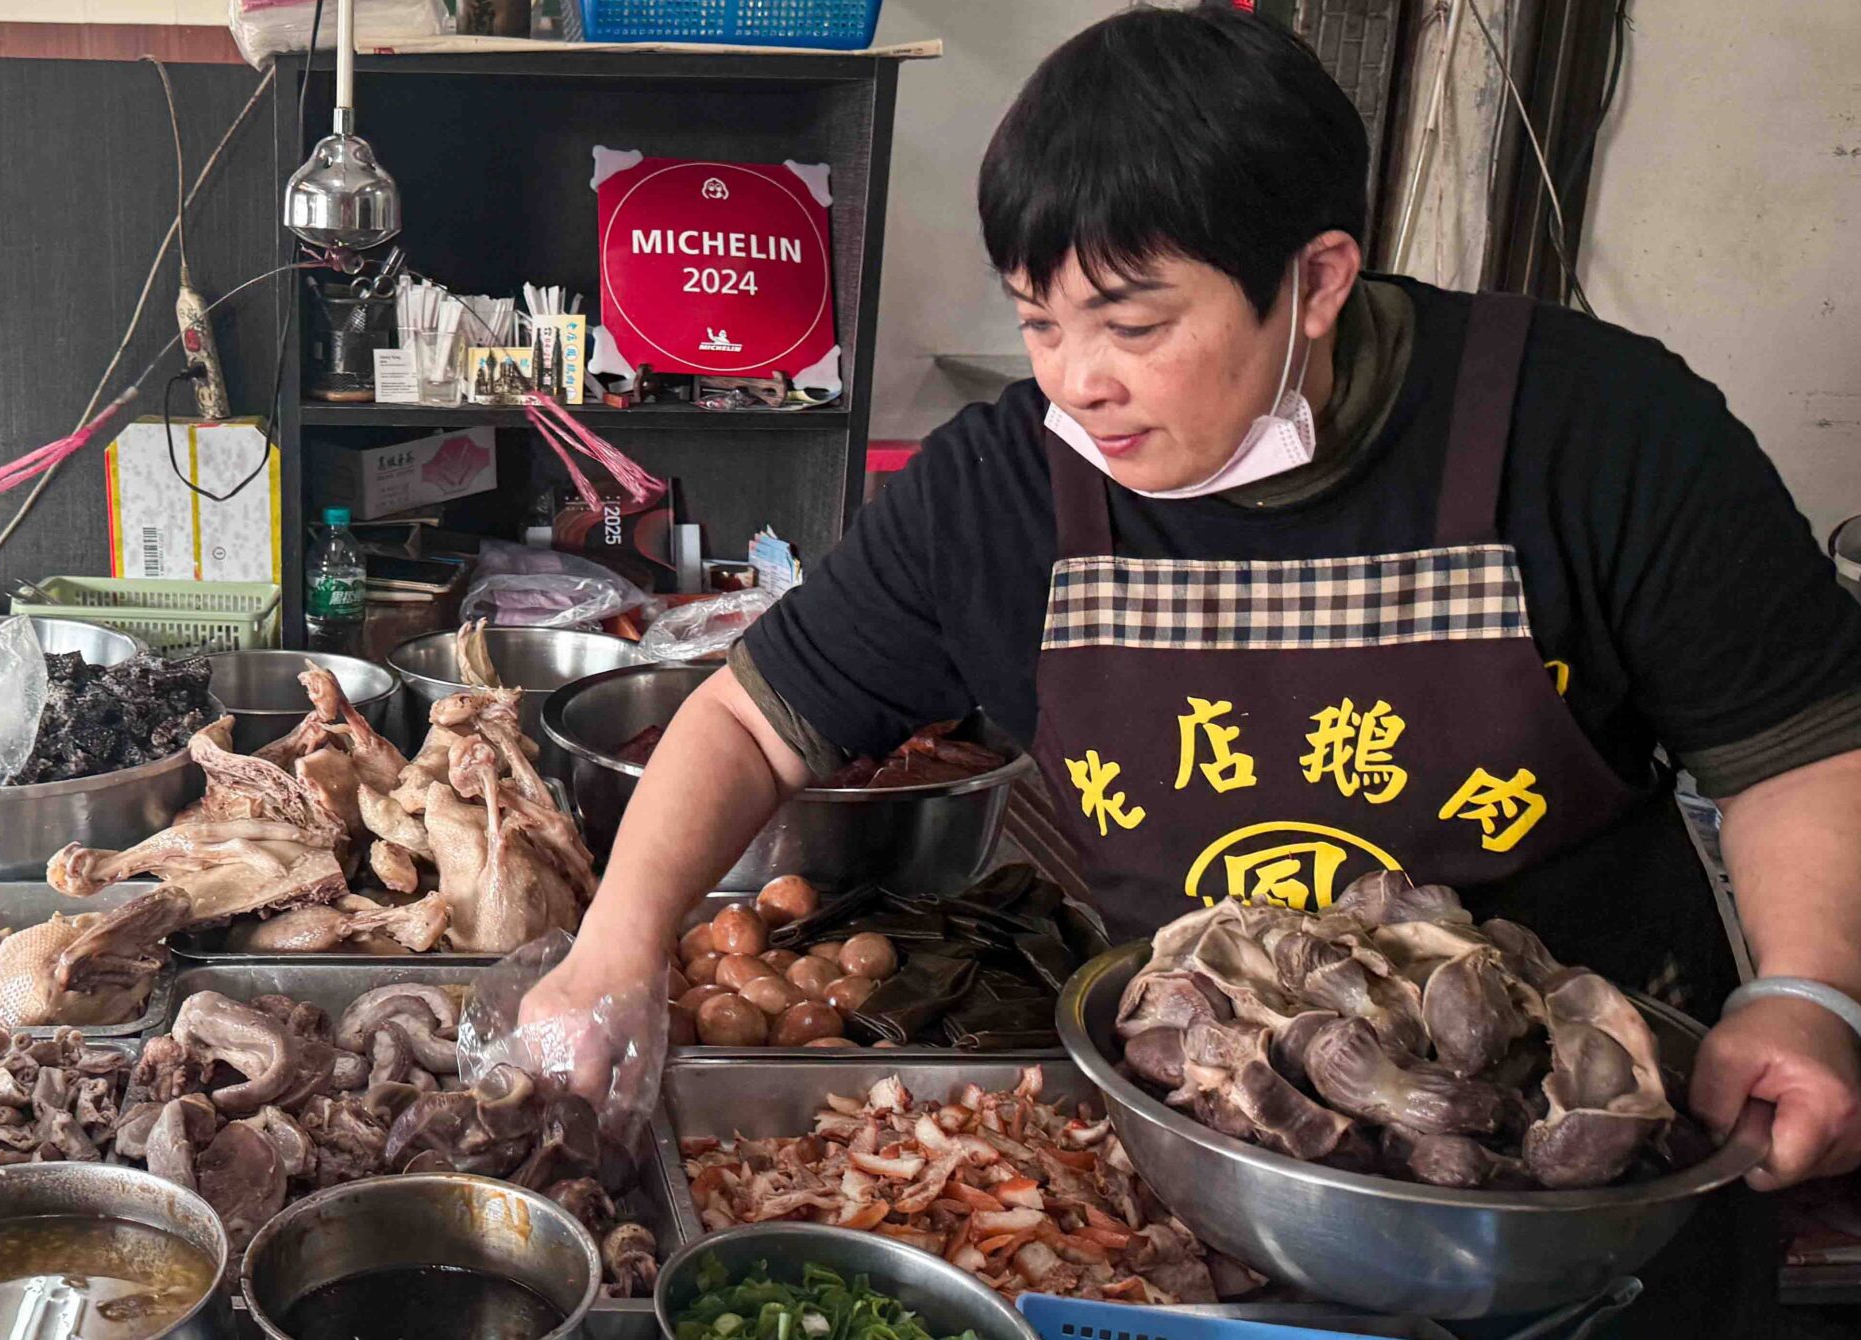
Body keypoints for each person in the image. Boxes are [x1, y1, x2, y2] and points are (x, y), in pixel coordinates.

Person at [525, 7, 1859, 1324]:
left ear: (1319, 280)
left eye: (1132, 323)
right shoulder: (1006, 492)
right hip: (1220, 1174)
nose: (1077, 383)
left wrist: (1805, 988)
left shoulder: (1594, 430)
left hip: (1577, 1186)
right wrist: (614, 950)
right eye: (1039, 321)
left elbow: (1800, 739)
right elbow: (756, 724)